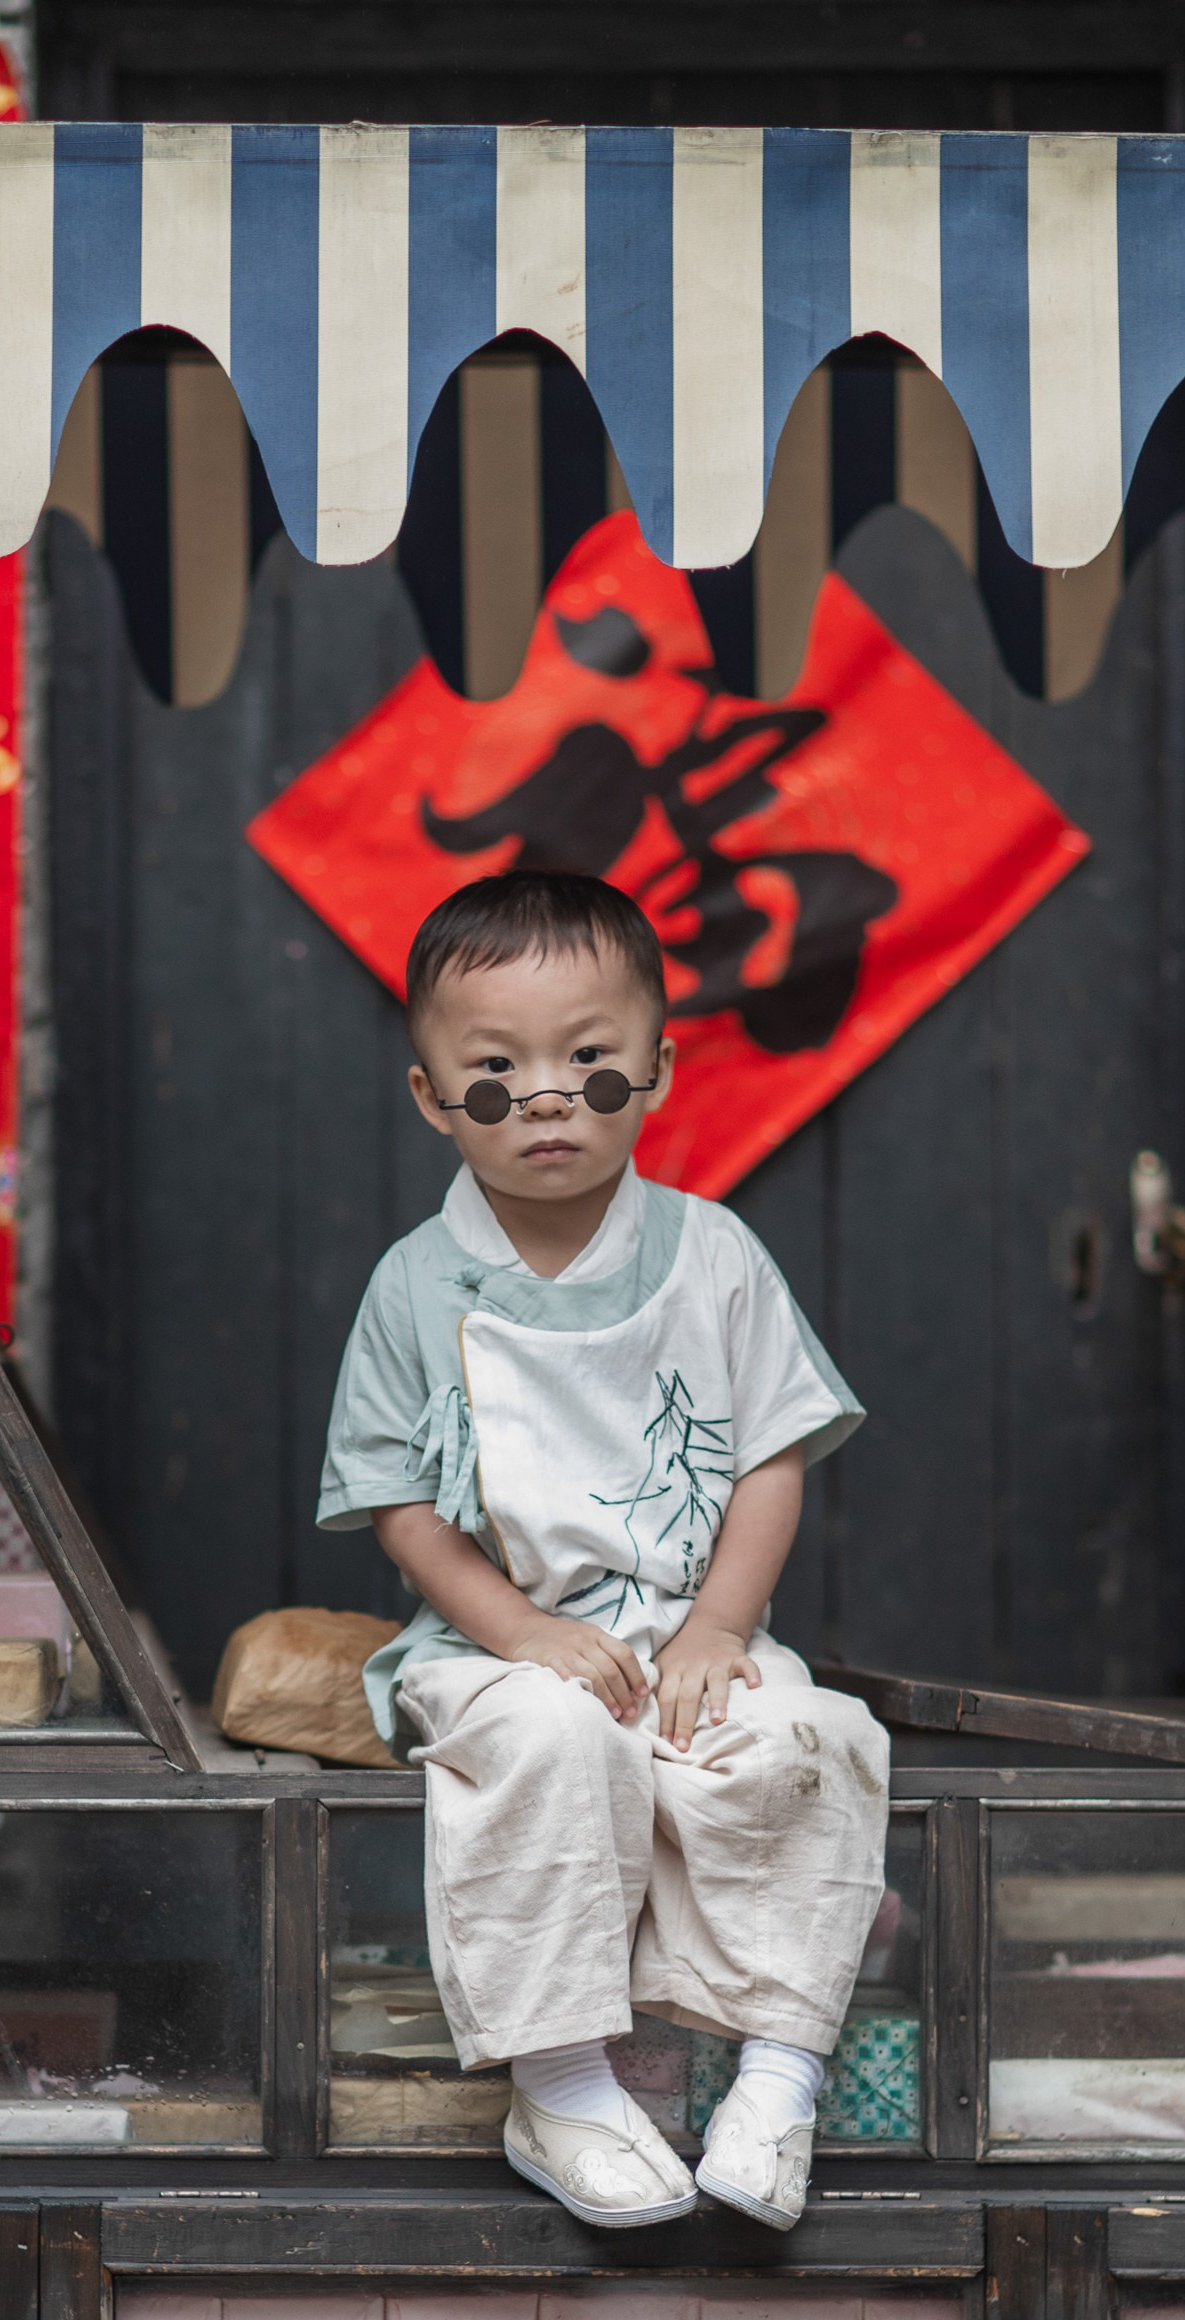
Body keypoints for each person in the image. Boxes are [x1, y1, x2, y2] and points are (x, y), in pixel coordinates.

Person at [317, 870, 890, 2234]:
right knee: (553, 1745)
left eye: (591, 1062)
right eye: (496, 1073)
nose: (550, 1098)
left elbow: (770, 1455)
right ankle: (563, 2084)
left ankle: (778, 2073)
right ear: (429, 1095)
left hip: (689, 1628)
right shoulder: (416, 1282)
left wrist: (719, 1633)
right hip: (491, 1642)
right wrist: (521, 1634)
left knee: (807, 1742)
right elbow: (401, 1506)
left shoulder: (717, 1255)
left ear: (658, 1065)